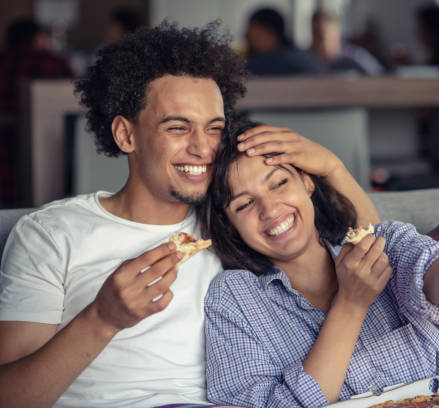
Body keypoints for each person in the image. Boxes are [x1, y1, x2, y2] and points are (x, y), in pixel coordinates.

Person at [0, 22, 378, 408]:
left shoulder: (239, 222)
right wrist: (102, 319)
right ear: (125, 135)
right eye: (178, 128)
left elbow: (377, 255)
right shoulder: (50, 233)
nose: (202, 148)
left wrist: (333, 168)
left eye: (213, 128)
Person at [202, 120, 439, 408]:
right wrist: (351, 304)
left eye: (279, 182)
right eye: (244, 204)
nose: (270, 210)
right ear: (227, 223)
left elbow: (431, 268)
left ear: (307, 182)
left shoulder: (377, 243)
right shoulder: (235, 298)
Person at [0, 18, 73, 207]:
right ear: (37, 38)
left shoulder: (5, 63)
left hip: (6, 138)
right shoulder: (52, 62)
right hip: (48, 138)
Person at [245, 7, 324, 76]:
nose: (246, 36)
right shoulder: (308, 58)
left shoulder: (261, 65)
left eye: (257, 36)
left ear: (270, 33)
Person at [310, 9, 384, 76]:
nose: (318, 43)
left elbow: (380, 76)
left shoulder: (356, 58)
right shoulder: (307, 60)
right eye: (315, 35)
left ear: (338, 34)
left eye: (322, 36)